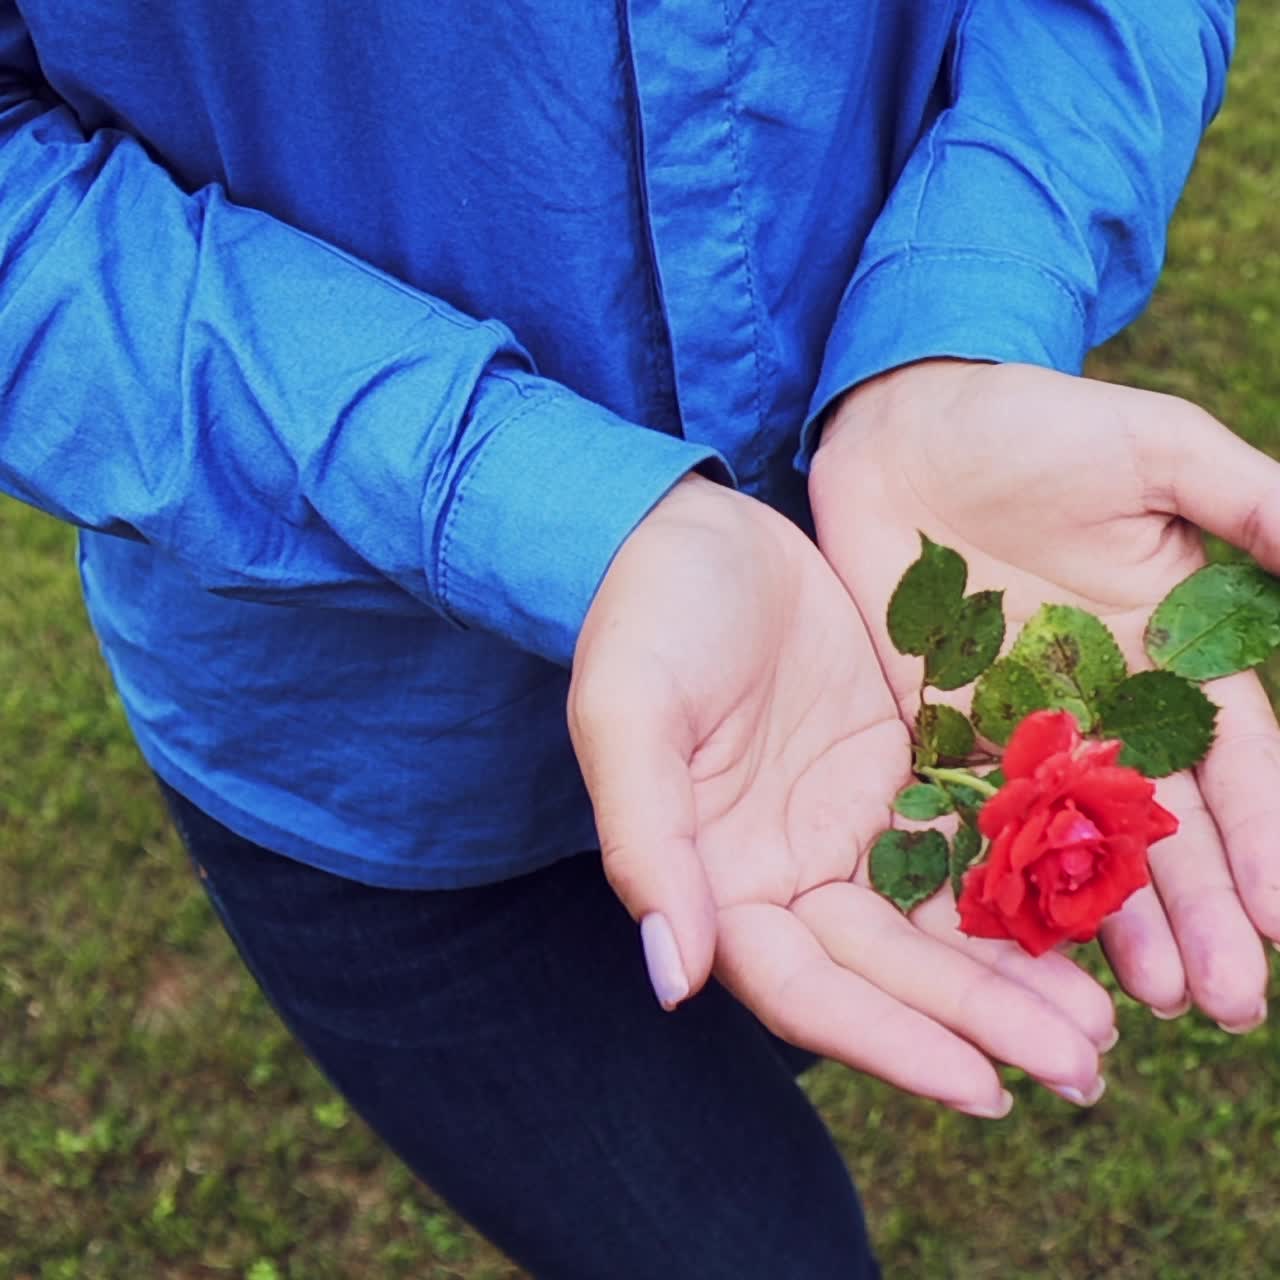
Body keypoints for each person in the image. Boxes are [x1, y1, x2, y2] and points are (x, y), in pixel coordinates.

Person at [2, 2, 1274, 1275]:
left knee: (787, 1033)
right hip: (378, 767)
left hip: (837, 692)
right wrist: (530, 499)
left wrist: (964, 307)